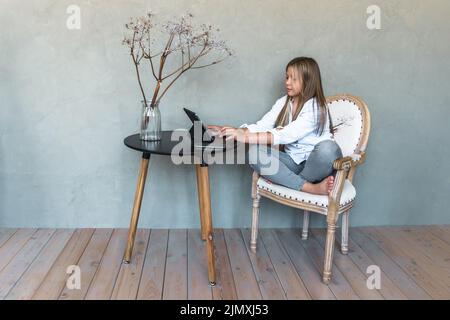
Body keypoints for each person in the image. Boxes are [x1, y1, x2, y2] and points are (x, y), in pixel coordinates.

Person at [208, 57, 342, 195]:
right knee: (255, 153)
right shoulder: (283, 102)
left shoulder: (316, 106)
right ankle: (309, 187)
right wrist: (233, 131)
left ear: (308, 81)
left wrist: (244, 137)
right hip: (294, 163)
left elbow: (287, 134)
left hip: (317, 165)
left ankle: (289, 180)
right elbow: (262, 126)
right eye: (287, 77)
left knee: (328, 149)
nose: (287, 82)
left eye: (293, 79)